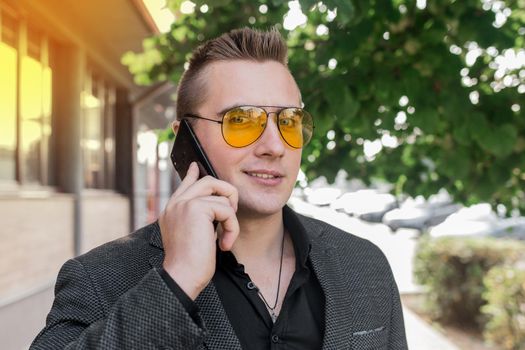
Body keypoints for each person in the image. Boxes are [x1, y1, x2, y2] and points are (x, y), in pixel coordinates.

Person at [31, 27, 407, 349]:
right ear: (185, 140)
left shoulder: (366, 265)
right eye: (241, 120)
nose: (275, 146)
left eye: (289, 121)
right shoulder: (100, 278)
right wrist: (174, 283)